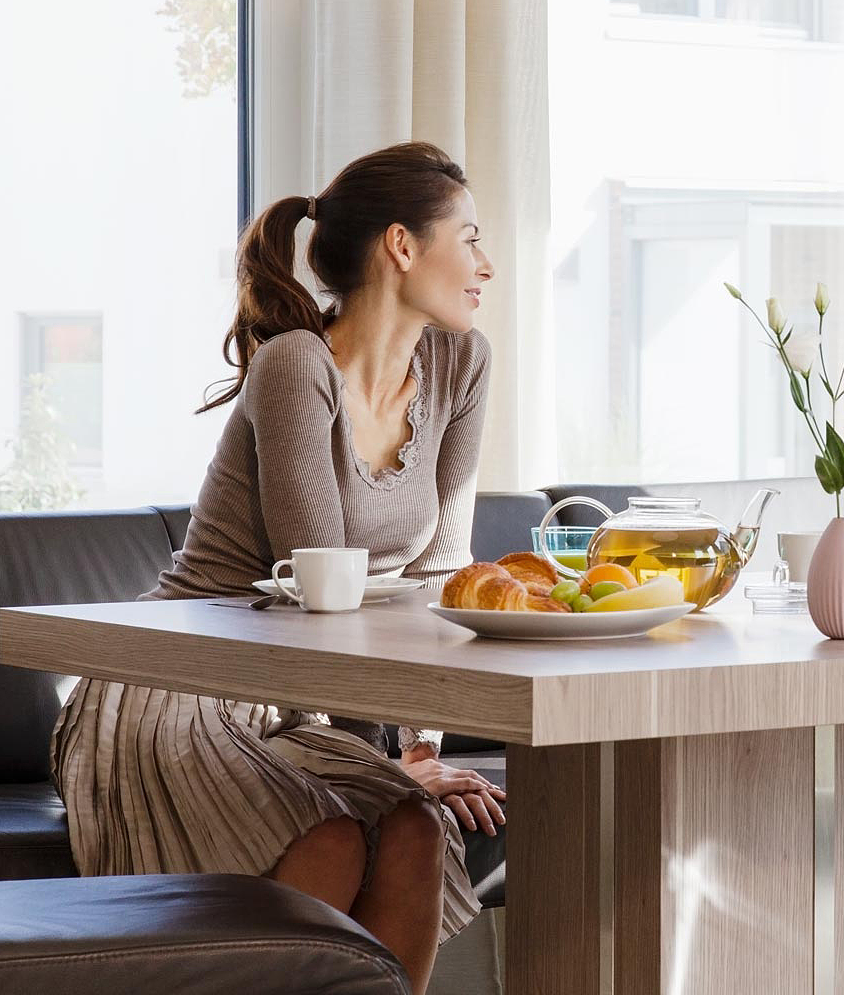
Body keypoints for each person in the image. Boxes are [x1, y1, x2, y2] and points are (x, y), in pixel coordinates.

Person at [52, 141, 507, 995]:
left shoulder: (461, 363)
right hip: (173, 684)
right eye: (470, 237)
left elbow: (446, 575)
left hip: (291, 700)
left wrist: (419, 742)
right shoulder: (298, 364)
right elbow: (320, 593)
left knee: (415, 826)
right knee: (337, 836)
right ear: (402, 246)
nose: (486, 264)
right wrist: (377, 756)